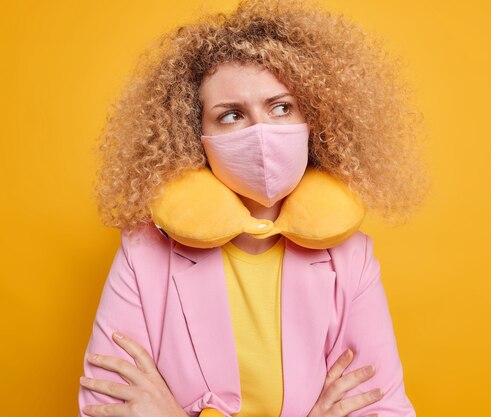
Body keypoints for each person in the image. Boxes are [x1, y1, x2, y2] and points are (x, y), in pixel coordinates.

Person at [78, 0, 424, 416]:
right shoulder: (143, 254)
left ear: (314, 118)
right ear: (193, 135)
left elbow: (384, 410)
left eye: (281, 107)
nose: (261, 132)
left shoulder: (352, 260)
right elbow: (104, 407)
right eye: (231, 116)